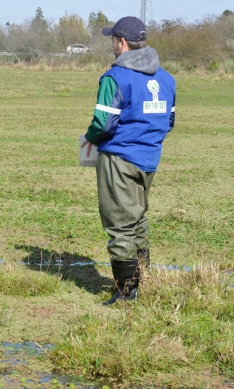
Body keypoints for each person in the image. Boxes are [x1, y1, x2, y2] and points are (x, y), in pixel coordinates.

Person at [82, 16, 176, 305]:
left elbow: (103, 124)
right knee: (136, 219)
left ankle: (126, 290)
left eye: (113, 40)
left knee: (120, 222)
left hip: (119, 159)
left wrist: (90, 138)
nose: (112, 44)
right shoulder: (167, 79)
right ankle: (142, 278)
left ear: (122, 43)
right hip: (148, 159)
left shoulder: (115, 77)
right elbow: (169, 120)